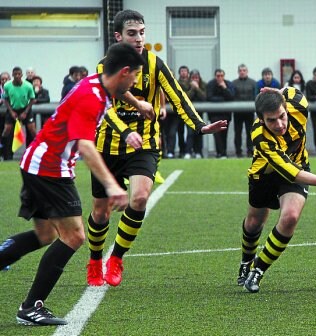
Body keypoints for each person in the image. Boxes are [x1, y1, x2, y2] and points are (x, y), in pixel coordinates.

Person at [0, 42, 140, 326]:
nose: (136, 81)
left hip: (37, 162)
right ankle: (31, 307)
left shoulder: (95, 84)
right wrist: (112, 186)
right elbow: (86, 145)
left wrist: (139, 104)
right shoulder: (93, 98)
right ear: (124, 72)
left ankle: (25, 295)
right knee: (74, 235)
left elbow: (118, 93)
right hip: (50, 168)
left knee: (45, 235)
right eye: (135, 75)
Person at [85, 9, 228, 288]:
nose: (139, 39)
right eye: (132, 33)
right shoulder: (105, 66)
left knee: (139, 198)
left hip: (145, 144)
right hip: (108, 146)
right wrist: (126, 131)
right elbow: (107, 106)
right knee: (101, 213)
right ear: (118, 36)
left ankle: (116, 258)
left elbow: (178, 95)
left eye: (142, 32)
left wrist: (199, 126)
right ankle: (94, 260)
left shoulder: (155, 63)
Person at [237, 87, 316, 293]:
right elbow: (290, 172)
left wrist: (277, 90)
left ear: (286, 108)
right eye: (271, 120)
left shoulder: (298, 105)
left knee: (290, 217)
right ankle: (246, 262)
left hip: (298, 167)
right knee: (254, 223)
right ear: (262, 120)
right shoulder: (259, 135)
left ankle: (258, 270)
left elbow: (292, 90)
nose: (279, 124)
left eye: (282, 116)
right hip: (264, 176)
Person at [1, 66, 37, 159]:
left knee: (32, 130)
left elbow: (32, 99)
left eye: (19, 74)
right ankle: (5, 152)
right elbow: (5, 99)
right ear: (12, 75)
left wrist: (25, 112)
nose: (17, 76)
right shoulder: (7, 85)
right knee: (6, 130)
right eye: (15, 74)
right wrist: (11, 111)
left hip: (25, 108)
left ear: (21, 75)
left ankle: (35, 152)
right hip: (13, 108)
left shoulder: (28, 86)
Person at [206, 68, 234, 158]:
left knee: (224, 134)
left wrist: (224, 88)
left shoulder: (228, 84)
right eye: (218, 76)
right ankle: (220, 153)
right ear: (215, 76)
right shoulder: (210, 84)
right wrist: (222, 100)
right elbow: (209, 97)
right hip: (214, 114)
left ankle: (223, 153)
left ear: (224, 76)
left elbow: (231, 97)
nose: (220, 78)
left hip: (225, 114)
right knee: (216, 134)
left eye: (221, 76)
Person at [232, 64, 257, 157]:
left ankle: (250, 151)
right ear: (238, 72)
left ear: (247, 71)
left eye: (244, 70)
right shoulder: (233, 83)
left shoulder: (253, 83)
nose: (242, 72)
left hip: (249, 112)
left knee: (250, 132)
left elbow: (256, 96)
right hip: (237, 112)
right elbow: (232, 96)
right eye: (240, 70)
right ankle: (238, 151)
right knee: (237, 132)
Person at [183, 69, 207, 159]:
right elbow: (185, 98)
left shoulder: (203, 84)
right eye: (193, 78)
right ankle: (188, 152)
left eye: (197, 78)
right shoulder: (185, 85)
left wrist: (198, 89)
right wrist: (193, 89)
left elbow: (204, 97)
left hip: (200, 113)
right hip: (189, 113)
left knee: (199, 133)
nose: (195, 80)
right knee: (190, 133)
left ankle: (198, 152)